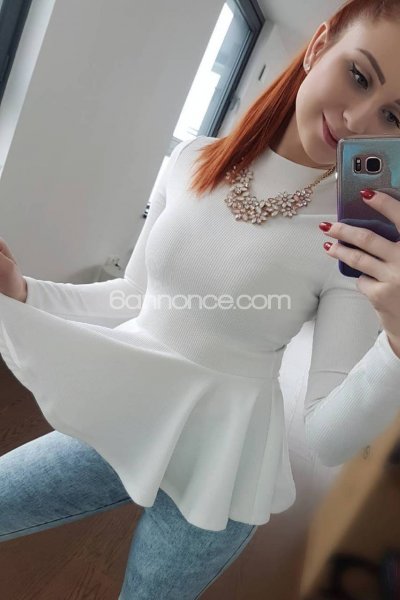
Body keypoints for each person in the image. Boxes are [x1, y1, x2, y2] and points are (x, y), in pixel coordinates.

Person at [1, 0, 400, 598]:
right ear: (318, 47)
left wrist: (396, 345)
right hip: (127, 406)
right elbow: (134, 296)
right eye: (359, 75)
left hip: (223, 469)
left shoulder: (350, 238)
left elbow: (327, 437)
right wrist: (26, 292)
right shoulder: (191, 159)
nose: (358, 118)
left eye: (393, 115)